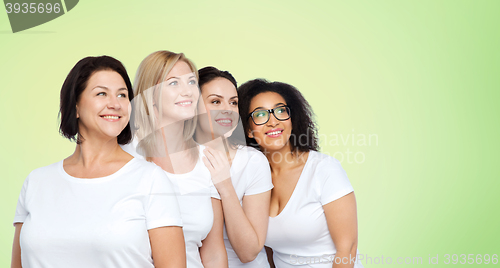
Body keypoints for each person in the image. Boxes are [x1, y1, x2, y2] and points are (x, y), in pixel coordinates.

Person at [11, 56, 186, 268]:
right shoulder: (36, 182)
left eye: (122, 95)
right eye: (101, 93)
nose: (115, 104)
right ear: (75, 106)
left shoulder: (150, 180)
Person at [238, 79, 363, 268]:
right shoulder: (253, 180)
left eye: (280, 111)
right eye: (260, 114)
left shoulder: (324, 169)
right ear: (248, 130)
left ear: (291, 119)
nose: (273, 121)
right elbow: (267, 252)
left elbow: (348, 248)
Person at [126, 51, 228, 268]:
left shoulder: (207, 159)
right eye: (173, 83)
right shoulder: (125, 155)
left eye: (192, 82)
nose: (188, 91)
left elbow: (213, 252)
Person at [194, 67, 273, 267]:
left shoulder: (252, 162)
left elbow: (249, 252)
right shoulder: (177, 161)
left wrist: (225, 185)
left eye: (233, 102)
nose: (227, 109)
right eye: (215, 101)